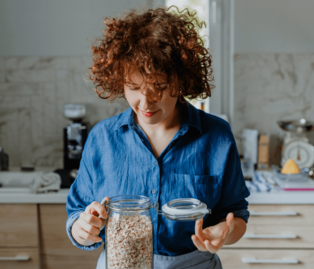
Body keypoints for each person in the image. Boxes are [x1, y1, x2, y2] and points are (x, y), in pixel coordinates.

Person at [66, 6, 250, 269]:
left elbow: (236, 215)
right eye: (133, 87)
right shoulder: (102, 138)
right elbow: (76, 213)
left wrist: (223, 233)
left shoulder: (216, 136)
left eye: (159, 88)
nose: (146, 101)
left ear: (182, 80)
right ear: (120, 81)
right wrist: (82, 229)